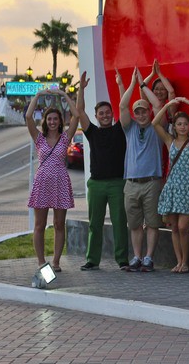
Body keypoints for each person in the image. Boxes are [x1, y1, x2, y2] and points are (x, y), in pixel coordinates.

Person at [77, 71, 130, 271]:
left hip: (117, 184)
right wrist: (81, 89)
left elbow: (124, 106)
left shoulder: (120, 130)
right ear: (96, 116)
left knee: (119, 222)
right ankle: (92, 260)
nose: (105, 115)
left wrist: (120, 84)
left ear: (112, 114)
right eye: (101, 113)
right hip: (96, 184)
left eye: (108, 112)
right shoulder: (92, 132)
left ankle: (122, 260)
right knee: (94, 224)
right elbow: (79, 110)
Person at [25, 89, 80, 272]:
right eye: (49, 119)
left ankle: (56, 262)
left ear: (60, 121)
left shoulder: (65, 138)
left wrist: (65, 96)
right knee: (39, 225)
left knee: (59, 224)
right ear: (45, 121)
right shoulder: (39, 138)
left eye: (56, 119)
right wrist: (38, 96)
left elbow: (76, 115)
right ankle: (41, 262)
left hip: (60, 182)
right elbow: (28, 117)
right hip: (42, 182)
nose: (53, 122)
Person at [151, 97, 189, 273]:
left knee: (183, 227)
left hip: (187, 190)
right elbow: (155, 123)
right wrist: (167, 105)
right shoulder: (170, 142)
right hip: (173, 188)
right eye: (179, 124)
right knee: (174, 227)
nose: (182, 127)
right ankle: (179, 261)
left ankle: (185, 261)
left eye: (185, 124)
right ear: (174, 127)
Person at [120, 67, 164, 272]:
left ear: (149, 112)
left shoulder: (157, 126)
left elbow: (158, 104)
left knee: (153, 223)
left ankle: (148, 258)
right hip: (131, 183)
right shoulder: (129, 128)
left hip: (151, 182)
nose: (140, 114)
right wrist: (131, 84)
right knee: (134, 224)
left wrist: (143, 84)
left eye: (143, 111)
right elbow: (122, 105)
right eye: (137, 112)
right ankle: (137, 257)